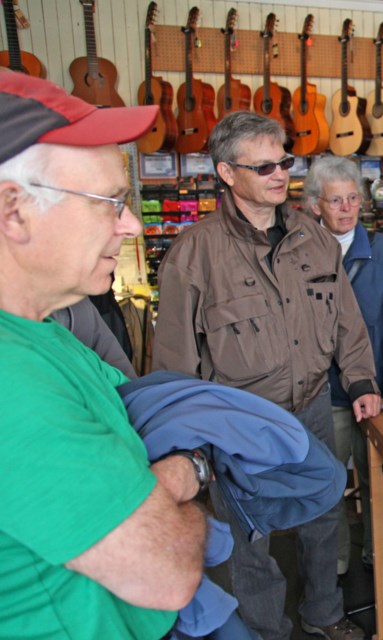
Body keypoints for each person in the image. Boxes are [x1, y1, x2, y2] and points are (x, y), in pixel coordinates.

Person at [153, 111, 380, 640]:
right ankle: (266, 632)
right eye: (264, 166)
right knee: (247, 542)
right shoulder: (194, 255)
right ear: (228, 173)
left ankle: (324, 614)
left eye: (284, 161)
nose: (280, 174)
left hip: (312, 406)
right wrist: (187, 446)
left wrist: (362, 381)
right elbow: (174, 363)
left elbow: (347, 318)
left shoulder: (314, 237)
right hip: (238, 422)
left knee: (324, 516)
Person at [0, 73, 207, 638]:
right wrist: (184, 475)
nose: (132, 225)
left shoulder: (44, 334)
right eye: (109, 203)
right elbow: (165, 570)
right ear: (14, 210)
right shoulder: (10, 383)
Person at [305, 156, 383, 574]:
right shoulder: (299, 254)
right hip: (325, 396)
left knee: (381, 482)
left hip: (377, 391)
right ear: (316, 204)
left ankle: (382, 561)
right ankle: (331, 566)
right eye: (336, 200)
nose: (347, 208)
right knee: (327, 485)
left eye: (353, 198)